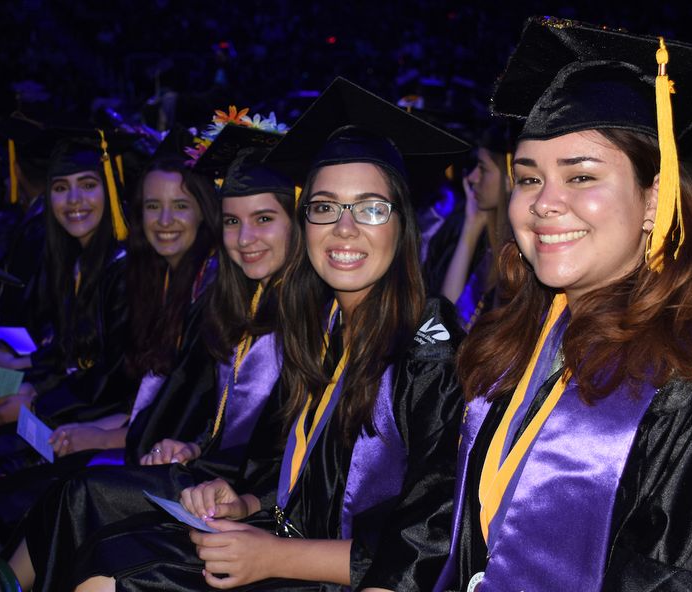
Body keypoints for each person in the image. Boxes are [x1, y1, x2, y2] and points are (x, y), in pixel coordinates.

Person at [434, 17, 692, 591]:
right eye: (528, 179)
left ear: (655, 199)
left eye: (581, 177)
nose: (545, 203)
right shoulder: (517, 346)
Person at [68, 77, 468, 592]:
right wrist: (245, 501)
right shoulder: (323, 326)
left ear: (402, 224)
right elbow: (297, 470)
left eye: (371, 208)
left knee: (116, 579)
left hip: (347, 576)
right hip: (290, 542)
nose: (344, 228)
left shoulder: (431, 349)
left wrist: (275, 555)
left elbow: (431, 539)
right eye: (324, 207)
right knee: (108, 552)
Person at [8, 126, 297, 592]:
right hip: (215, 474)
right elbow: (226, 417)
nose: (245, 237)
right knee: (65, 494)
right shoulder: (239, 299)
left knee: (79, 498)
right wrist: (193, 446)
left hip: (256, 501)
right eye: (232, 220)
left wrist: (236, 489)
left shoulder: (300, 316)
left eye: (264, 218)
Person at [0, 152, 221, 546]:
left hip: (160, 460)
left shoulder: (199, 296)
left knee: (6, 490)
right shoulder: (153, 278)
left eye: (180, 206)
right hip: (111, 429)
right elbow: (137, 395)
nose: (164, 220)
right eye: (152, 206)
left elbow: (140, 397)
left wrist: (42, 405)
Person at [0, 130, 137, 488]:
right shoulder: (74, 260)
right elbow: (68, 352)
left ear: (111, 190)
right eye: (61, 188)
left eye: (88, 185)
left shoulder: (124, 272)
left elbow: (109, 381)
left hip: (92, 419)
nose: (74, 200)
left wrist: (35, 402)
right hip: (63, 399)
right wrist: (19, 370)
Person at [437, 123, 513, 328]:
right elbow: (448, 316)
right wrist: (472, 225)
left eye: (483, 169)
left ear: (509, 179)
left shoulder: (518, 253)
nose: (471, 177)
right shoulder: (489, 241)